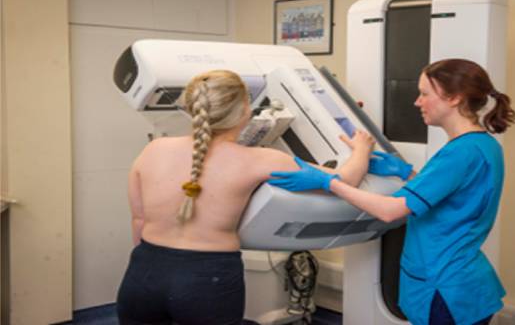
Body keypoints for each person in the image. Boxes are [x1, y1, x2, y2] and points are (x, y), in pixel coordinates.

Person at [116, 69, 375, 325]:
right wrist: (362, 148)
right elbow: (346, 180)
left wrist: (153, 269)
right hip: (206, 280)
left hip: (144, 272)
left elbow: (138, 220)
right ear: (243, 110)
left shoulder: (153, 149)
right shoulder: (259, 159)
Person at [268, 59, 515, 325]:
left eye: (424, 94)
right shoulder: (483, 145)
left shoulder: (460, 152)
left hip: (444, 287)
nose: (417, 102)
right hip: (465, 282)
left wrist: (327, 182)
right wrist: (404, 172)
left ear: (454, 98)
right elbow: (453, 195)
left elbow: (390, 211)